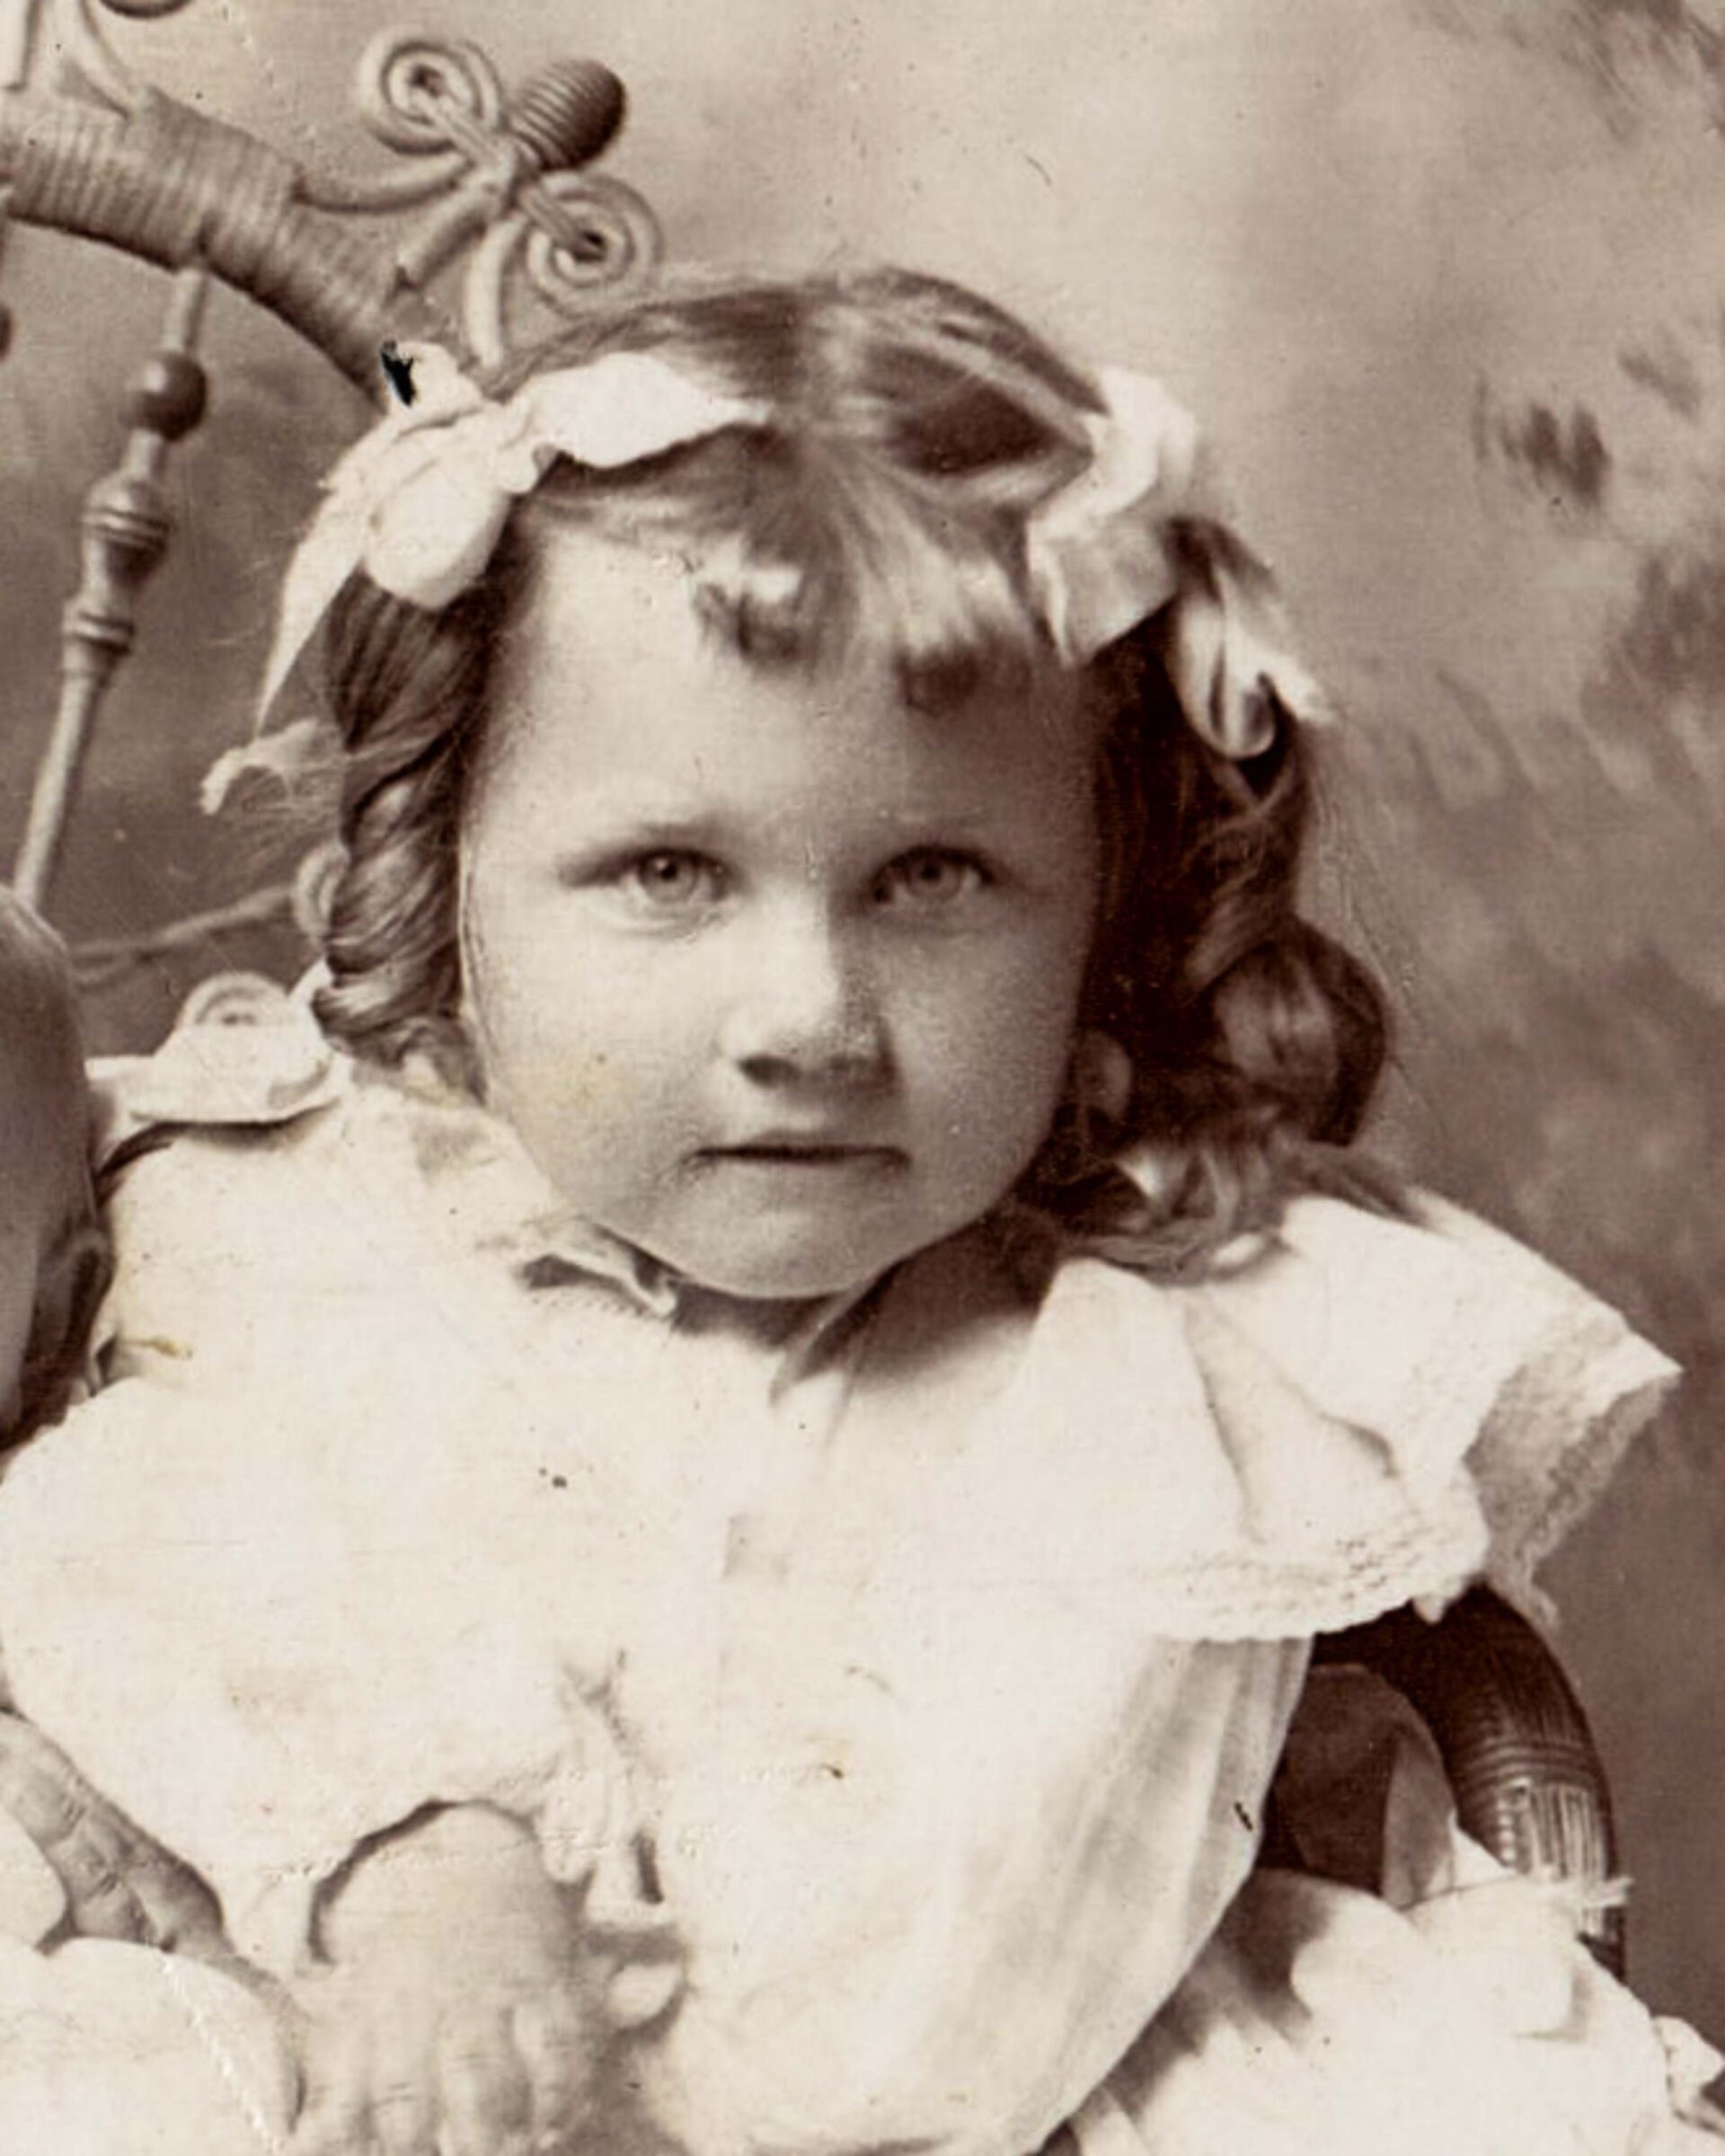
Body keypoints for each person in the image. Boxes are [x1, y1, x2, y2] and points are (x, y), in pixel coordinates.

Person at [0, 267, 1715, 2156]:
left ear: (1111, 907)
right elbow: (102, 1554)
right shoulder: (244, 1205)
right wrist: (404, 1865)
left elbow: (894, 2047)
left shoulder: (1165, 1379)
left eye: (931, 877)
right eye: (666, 868)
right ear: (441, 874)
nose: (807, 1020)